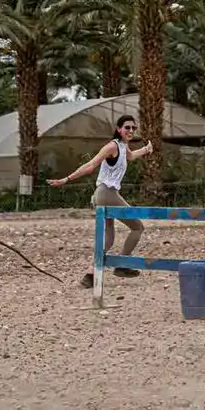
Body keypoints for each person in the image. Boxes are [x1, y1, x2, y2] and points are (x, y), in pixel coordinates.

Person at [48, 113, 153, 289]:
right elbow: (91, 165)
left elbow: (130, 157)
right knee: (138, 227)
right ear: (118, 129)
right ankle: (122, 265)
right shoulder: (112, 146)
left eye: (133, 128)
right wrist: (66, 179)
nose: (131, 130)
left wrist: (146, 149)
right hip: (107, 194)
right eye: (127, 127)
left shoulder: (123, 146)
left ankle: (89, 275)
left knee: (109, 239)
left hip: (103, 195)